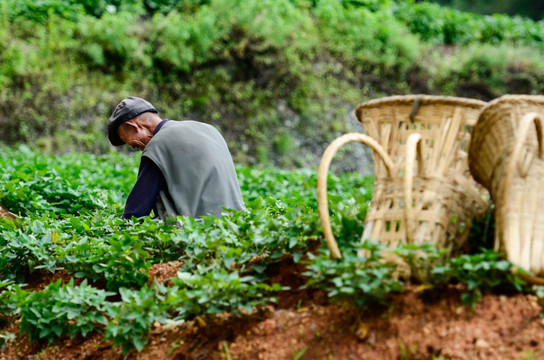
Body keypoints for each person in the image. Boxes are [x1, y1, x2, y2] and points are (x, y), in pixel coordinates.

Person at [107, 96, 246, 221]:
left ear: (134, 127)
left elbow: (135, 213)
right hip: (237, 225)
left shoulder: (159, 145)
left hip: (199, 236)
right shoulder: (209, 129)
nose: (136, 148)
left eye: (132, 144)